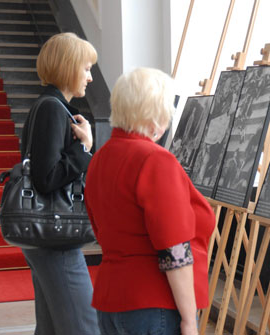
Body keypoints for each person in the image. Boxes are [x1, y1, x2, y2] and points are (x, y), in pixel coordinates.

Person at [84, 67, 216, 335]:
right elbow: (174, 250)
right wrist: (190, 320)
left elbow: (99, 229)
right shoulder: (155, 160)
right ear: (156, 115)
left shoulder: (100, 158)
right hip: (153, 303)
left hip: (110, 299)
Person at [19, 33, 100, 334]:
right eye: (86, 68)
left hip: (44, 235)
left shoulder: (47, 106)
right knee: (83, 326)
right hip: (56, 236)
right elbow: (46, 178)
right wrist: (84, 149)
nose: (90, 78)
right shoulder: (53, 108)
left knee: (52, 327)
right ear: (68, 66)